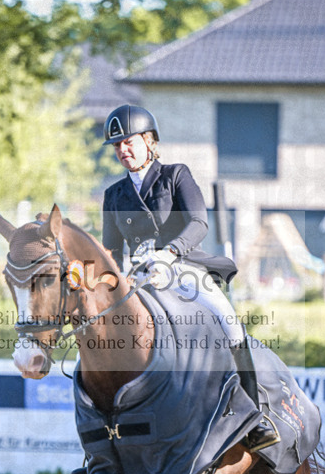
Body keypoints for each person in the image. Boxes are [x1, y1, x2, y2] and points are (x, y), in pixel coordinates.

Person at [101, 103, 279, 455]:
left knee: (229, 323)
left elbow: (198, 223)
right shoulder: (113, 195)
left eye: (129, 142)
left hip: (182, 268)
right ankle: (104, 440)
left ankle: (255, 416)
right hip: (138, 278)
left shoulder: (175, 175)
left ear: (149, 141)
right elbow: (110, 250)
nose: (123, 150)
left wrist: (169, 253)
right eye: (117, 145)